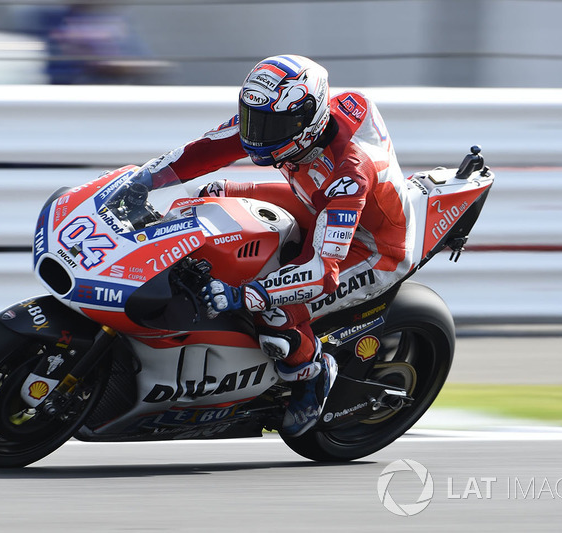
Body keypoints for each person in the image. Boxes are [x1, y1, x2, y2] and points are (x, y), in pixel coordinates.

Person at [135, 54, 415, 437]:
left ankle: (311, 374)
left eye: (270, 124)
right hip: (312, 198)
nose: (256, 133)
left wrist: (243, 296)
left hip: (371, 247)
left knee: (274, 315)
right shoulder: (285, 120)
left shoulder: (350, 173)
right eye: (252, 118)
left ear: (309, 119)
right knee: (210, 195)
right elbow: (205, 150)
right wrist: (140, 181)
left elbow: (322, 273)